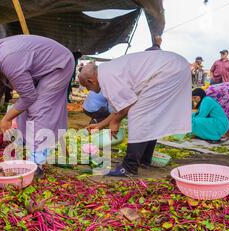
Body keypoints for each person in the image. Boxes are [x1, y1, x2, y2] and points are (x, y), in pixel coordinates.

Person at [0, 35, 75, 177]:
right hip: (41, 68)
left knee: (38, 108)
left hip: (58, 65)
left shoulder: (8, 60)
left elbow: (29, 96)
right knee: (23, 109)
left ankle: (36, 163)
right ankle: (26, 146)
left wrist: (6, 119)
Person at [79, 50, 192, 178]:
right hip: (175, 66)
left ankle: (129, 167)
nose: (90, 91)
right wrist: (100, 125)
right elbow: (120, 107)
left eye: (87, 87)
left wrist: (115, 122)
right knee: (149, 116)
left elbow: (126, 105)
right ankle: (144, 160)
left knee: (139, 115)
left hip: (168, 70)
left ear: (90, 81)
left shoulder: (107, 77)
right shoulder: (107, 71)